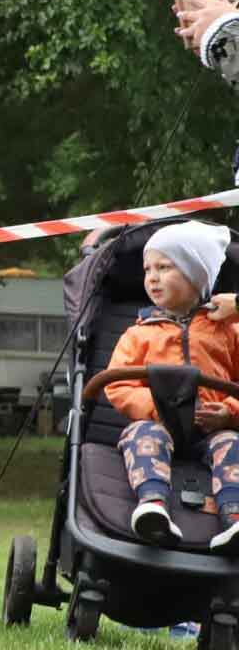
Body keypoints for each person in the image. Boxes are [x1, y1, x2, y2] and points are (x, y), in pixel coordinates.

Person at [103, 222, 239, 550]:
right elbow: (118, 385)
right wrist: (157, 409)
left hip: (214, 429)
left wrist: (229, 412)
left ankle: (234, 517)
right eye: (148, 269)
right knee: (141, 436)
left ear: (197, 276)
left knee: (233, 445)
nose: (152, 277)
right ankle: (153, 506)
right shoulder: (139, 334)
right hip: (157, 423)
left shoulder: (228, 332)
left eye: (164, 267)